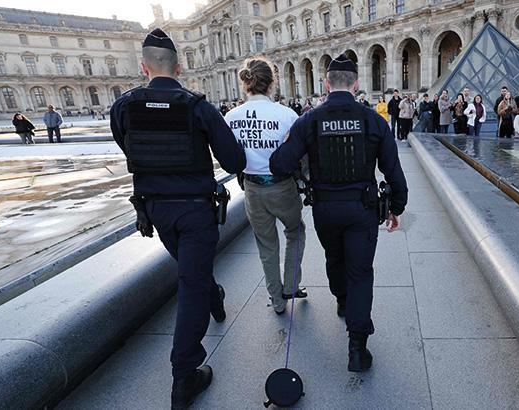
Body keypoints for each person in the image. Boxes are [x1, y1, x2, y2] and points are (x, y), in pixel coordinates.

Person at [109, 29, 246, 408]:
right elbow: (235, 161)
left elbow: (127, 146)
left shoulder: (124, 106)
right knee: (190, 284)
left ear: (144, 68)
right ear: (180, 67)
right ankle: (184, 376)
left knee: (192, 272)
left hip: (155, 209)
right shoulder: (197, 105)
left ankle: (214, 295)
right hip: (195, 208)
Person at [269, 53, 408, 373]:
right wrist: (397, 207)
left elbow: (280, 164)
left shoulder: (309, 120)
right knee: (361, 271)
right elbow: (393, 169)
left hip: (325, 208)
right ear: (356, 83)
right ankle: (357, 348)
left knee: (335, 258)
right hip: (362, 209)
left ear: (326, 83)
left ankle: (342, 300)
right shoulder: (374, 120)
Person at [224, 58, 306, 316]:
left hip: (251, 188)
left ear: (246, 84)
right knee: (296, 231)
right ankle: (290, 285)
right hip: (281, 186)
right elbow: (299, 155)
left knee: (266, 246)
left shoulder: (231, 117)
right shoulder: (286, 114)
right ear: (272, 83)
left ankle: (277, 299)